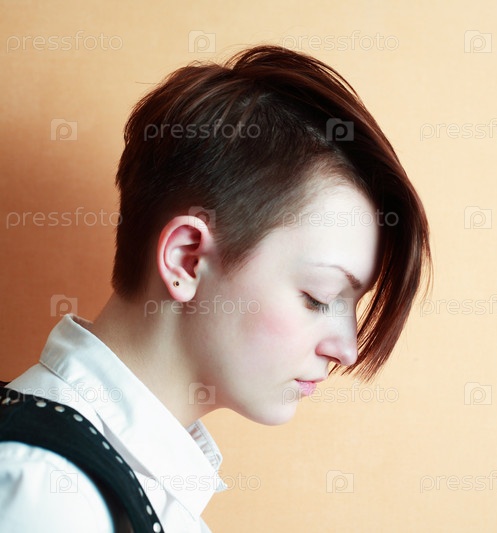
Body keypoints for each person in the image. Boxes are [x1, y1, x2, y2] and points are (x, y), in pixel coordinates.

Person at [0, 45, 430, 532]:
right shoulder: (47, 495)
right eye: (320, 297)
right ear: (186, 259)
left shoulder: (122, 481)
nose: (347, 350)